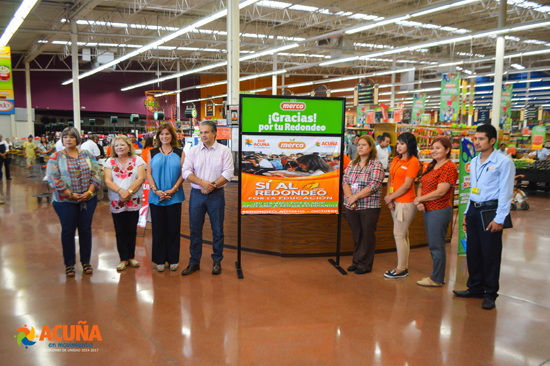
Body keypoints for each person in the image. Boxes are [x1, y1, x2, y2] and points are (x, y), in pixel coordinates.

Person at [453, 124, 515, 310]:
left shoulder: (504, 162)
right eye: (475, 138)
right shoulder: (473, 161)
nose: (477, 142)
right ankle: (475, 288)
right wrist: (466, 212)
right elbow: (472, 189)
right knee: (473, 251)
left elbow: (506, 193)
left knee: (490, 254)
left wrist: (499, 218)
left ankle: (490, 293)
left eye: (481, 138)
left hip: (491, 211)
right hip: (473, 209)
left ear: (492, 140)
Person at [181, 120, 234, 276]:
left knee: (217, 230)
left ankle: (217, 262)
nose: (203, 135)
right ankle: (194, 262)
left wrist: (211, 185)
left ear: (214, 133)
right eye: (201, 132)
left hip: (216, 195)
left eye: (206, 132)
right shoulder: (193, 151)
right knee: (195, 230)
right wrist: (203, 184)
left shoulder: (224, 151)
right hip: (197, 194)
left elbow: (228, 173)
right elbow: (186, 172)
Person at [46, 127, 101, 277]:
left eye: (71, 136)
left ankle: (86, 262)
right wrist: (71, 194)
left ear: (77, 139)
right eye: (65, 137)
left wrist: (89, 192)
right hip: (65, 201)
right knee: (68, 231)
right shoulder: (55, 157)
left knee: (85, 230)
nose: (68, 139)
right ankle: (69, 264)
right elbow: (53, 178)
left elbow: (96, 174)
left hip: (88, 200)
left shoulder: (87, 155)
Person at [413, 137, 458, 287]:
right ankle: (437, 276)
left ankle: (437, 279)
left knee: (436, 246)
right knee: (434, 244)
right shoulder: (433, 165)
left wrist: (420, 200)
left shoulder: (449, 167)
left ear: (447, 150)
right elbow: (421, 183)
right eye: (433, 148)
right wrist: (420, 200)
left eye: (438, 148)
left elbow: (441, 192)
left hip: (439, 210)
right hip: (429, 209)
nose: (433, 151)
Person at [343, 135, 385, 274]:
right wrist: (350, 198)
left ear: (371, 147)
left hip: (369, 206)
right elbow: (345, 182)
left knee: (367, 236)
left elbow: (374, 185)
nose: (360, 147)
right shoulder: (352, 164)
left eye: (363, 145)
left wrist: (355, 197)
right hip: (352, 205)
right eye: (359, 144)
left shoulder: (376, 164)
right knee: (357, 235)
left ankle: (365, 264)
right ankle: (356, 261)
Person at [146, 123, 185, 272]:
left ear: (172, 136)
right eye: (162, 134)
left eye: (167, 134)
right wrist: (156, 190)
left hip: (174, 197)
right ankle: (160, 260)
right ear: (158, 137)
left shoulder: (180, 153)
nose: (164, 137)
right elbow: (148, 173)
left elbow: (183, 173)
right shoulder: (152, 152)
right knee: (158, 229)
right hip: (156, 197)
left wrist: (173, 190)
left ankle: (173, 259)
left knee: (173, 229)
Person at [104, 135, 146, 272]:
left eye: (122, 145)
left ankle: (131, 257)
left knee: (132, 230)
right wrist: (121, 192)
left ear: (129, 146)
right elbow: (108, 181)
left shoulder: (137, 160)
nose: (119, 147)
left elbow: (141, 178)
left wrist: (128, 192)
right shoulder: (109, 162)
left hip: (133, 199)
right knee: (120, 230)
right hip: (117, 200)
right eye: (116, 146)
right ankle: (123, 258)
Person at [384, 132, 420, 279]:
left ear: (409, 145)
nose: (398, 146)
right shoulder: (396, 160)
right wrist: (389, 198)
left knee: (399, 235)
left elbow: (407, 185)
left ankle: (401, 269)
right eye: (398, 143)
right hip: (395, 201)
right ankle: (403, 267)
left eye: (402, 143)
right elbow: (390, 180)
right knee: (402, 234)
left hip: (406, 202)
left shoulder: (413, 162)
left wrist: (390, 197)